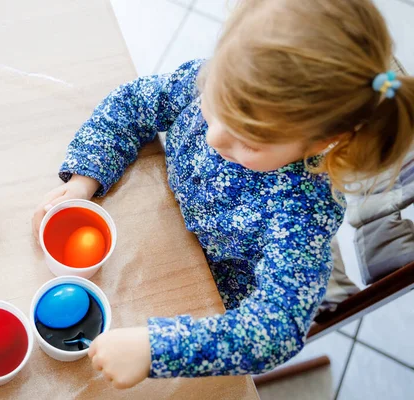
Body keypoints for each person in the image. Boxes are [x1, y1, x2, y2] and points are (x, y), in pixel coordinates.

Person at [32, 0, 414, 389]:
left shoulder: (302, 212)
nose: (214, 135)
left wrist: (159, 349)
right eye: (214, 102)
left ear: (320, 141)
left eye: (247, 140)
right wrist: (85, 180)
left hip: (205, 296)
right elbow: (134, 103)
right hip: (155, 226)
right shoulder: (223, 79)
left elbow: (274, 330)